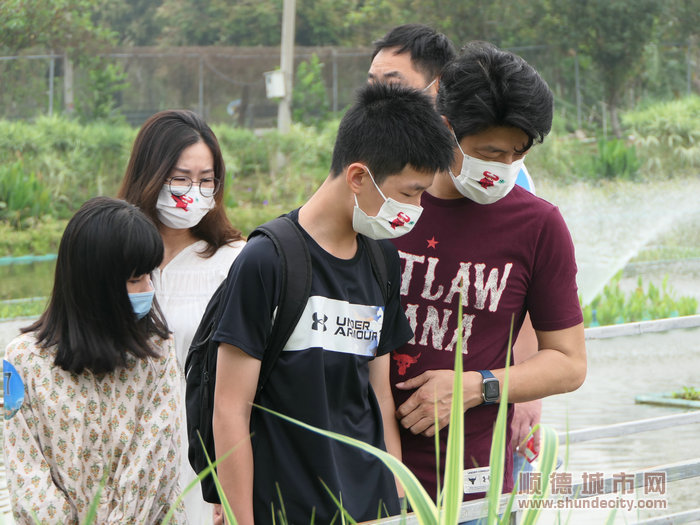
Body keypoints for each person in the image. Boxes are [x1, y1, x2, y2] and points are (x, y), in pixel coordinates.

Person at [211, 82, 455, 524]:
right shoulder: (268, 260)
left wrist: (397, 499)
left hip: (368, 506)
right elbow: (230, 408)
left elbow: (379, 396)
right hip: (284, 507)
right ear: (359, 176)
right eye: (409, 192)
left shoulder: (382, 259)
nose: (417, 208)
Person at [388, 41, 587, 506]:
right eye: (489, 152)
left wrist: (477, 386)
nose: (502, 169)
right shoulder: (384, 207)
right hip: (366, 477)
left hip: (473, 486)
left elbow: (569, 362)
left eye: (516, 154)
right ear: (445, 129)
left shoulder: (538, 225)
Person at [369, 24, 543, 483]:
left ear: (437, 92)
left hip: (474, 456)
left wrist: (519, 392)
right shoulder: (376, 181)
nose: (378, 100)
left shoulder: (506, 186)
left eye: (393, 86)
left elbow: (519, 304)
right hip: (378, 454)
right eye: (372, 85)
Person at [3, 197, 185, 524]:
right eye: (134, 280)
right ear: (93, 283)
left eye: (148, 276)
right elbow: (27, 470)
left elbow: (152, 467)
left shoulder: (155, 354)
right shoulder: (22, 362)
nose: (147, 289)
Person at [118, 109, 245, 524]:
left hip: (202, 462)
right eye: (179, 177)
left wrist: (233, 485)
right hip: (120, 458)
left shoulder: (234, 262)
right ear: (149, 174)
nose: (193, 191)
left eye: (206, 179)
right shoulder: (114, 254)